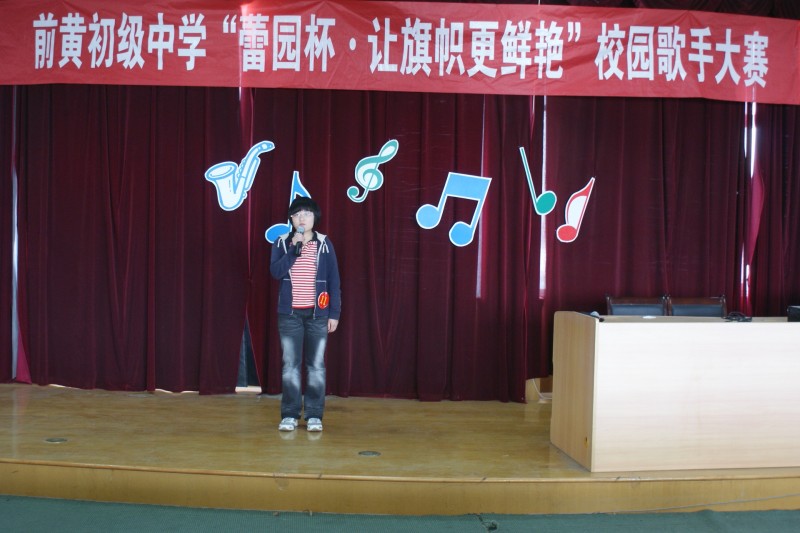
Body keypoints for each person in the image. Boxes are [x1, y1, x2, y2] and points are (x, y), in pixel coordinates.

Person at [269, 197, 341, 432]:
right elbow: (276, 272)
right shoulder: (282, 242)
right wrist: (293, 249)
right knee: (290, 365)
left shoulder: (324, 244)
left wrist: (334, 313)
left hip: (318, 314)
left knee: (316, 366)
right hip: (289, 315)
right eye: (297, 214)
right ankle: (290, 414)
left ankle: (314, 415)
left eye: (307, 214)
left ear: (314, 218)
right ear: (291, 219)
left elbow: (333, 281)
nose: (302, 218)